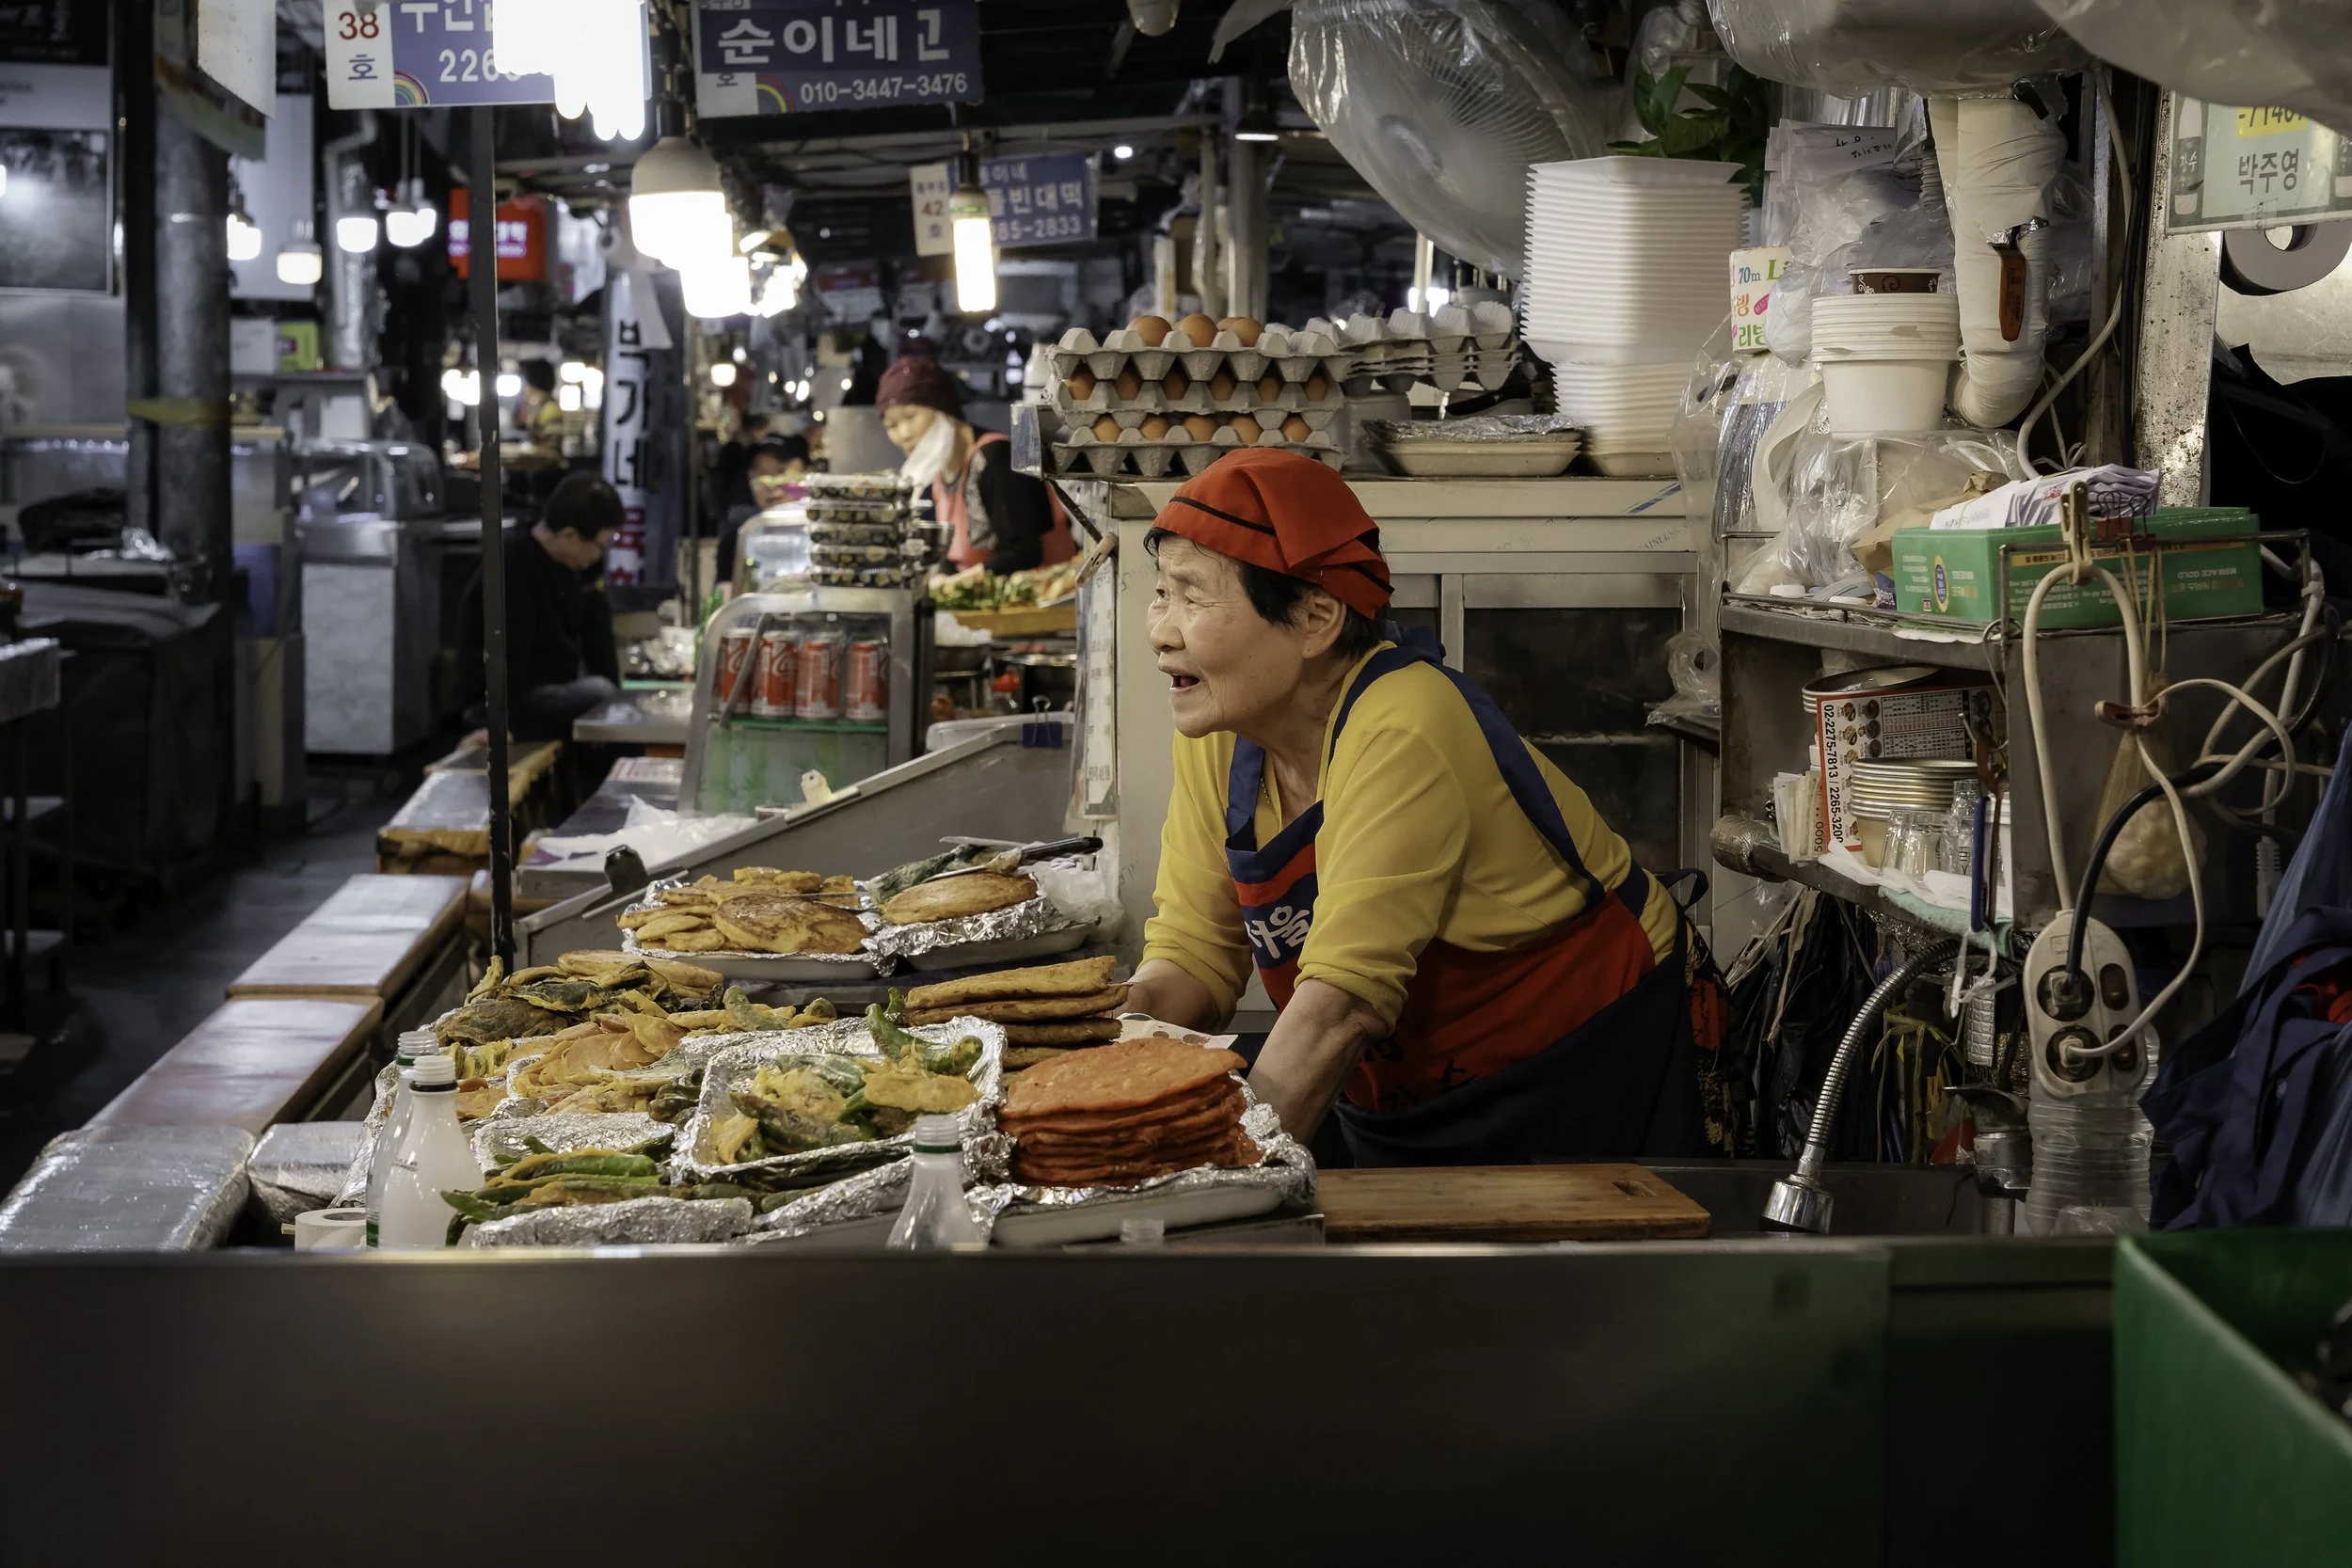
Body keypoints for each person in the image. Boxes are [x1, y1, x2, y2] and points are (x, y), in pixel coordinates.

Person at [1121, 449, 1719, 1166]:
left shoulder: (1403, 723)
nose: (1160, 628)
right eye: (1161, 592)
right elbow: (1193, 955)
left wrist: (1206, 1184)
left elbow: (1337, 1008)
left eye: (1191, 596)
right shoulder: (1223, 731)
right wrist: (1097, 1055)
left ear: (1316, 618)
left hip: (1582, 1067)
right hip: (1410, 1093)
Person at [876, 340, 1074, 573]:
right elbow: (953, 555)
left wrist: (956, 583)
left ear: (944, 408)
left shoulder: (996, 456)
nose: (904, 434)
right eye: (891, 425)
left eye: (910, 417)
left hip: (1042, 600)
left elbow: (1023, 553)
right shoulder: (941, 471)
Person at [458, 470, 623, 741]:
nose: (600, 556)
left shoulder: (569, 567)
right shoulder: (511, 568)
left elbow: (597, 641)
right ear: (570, 536)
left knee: (609, 698)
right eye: (600, 547)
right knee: (600, 693)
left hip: (549, 690)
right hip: (508, 704)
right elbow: (505, 668)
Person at [716, 435, 813, 588]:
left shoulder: (818, 538)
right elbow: (725, 595)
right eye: (760, 476)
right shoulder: (736, 541)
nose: (772, 491)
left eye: (781, 477)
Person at [517, 359, 565, 455]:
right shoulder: (540, 406)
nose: (525, 388)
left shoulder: (551, 410)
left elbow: (551, 449)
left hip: (549, 468)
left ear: (533, 383)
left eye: (526, 383)